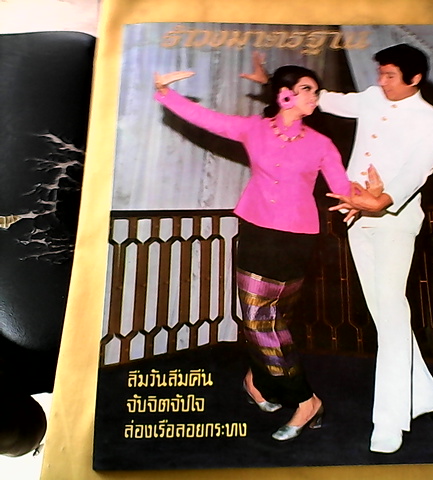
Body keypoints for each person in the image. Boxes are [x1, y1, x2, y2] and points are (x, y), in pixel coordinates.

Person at [242, 43, 433, 453]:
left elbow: (415, 173)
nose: (381, 82)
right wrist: (273, 82)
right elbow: (320, 98)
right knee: (385, 314)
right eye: (380, 73)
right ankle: (425, 395)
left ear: (415, 79)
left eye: (390, 76)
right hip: (356, 218)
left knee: (391, 314)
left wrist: (381, 199)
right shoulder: (373, 97)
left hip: (393, 222)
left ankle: (389, 420)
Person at [154, 66, 381, 442]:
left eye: (316, 91)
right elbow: (206, 118)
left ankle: (260, 382)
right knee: (259, 321)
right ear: (285, 95)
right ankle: (303, 399)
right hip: (257, 232)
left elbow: (341, 188)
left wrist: (369, 197)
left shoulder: (321, 143)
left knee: (274, 322)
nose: (314, 97)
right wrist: (165, 93)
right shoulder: (253, 129)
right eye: (307, 89)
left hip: (297, 240)